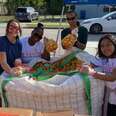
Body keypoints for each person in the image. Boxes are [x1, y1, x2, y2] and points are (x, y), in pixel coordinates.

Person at [80, 34, 116, 116]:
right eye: (102, 46)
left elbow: (112, 77)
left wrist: (91, 72)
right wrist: (87, 66)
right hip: (108, 96)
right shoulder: (104, 59)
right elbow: (93, 63)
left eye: (108, 45)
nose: (105, 48)